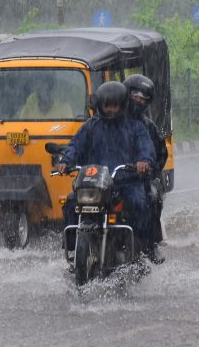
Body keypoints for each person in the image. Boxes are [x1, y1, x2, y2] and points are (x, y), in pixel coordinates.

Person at [55, 81, 157, 261]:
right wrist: (66, 161)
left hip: (125, 182)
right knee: (71, 202)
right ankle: (72, 247)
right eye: (106, 106)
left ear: (122, 104)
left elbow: (146, 148)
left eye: (114, 105)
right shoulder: (90, 126)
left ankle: (140, 247)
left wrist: (144, 161)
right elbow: (74, 146)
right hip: (95, 183)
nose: (110, 110)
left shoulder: (135, 126)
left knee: (140, 203)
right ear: (100, 105)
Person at [124, 74, 167, 264]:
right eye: (135, 97)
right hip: (109, 177)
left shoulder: (147, 127)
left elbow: (159, 153)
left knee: (152, 197)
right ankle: (75, 249)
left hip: (136, 179)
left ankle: (150, 244)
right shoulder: (108, 120)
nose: (138, 102)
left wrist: (149, 170)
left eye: (143, 99)